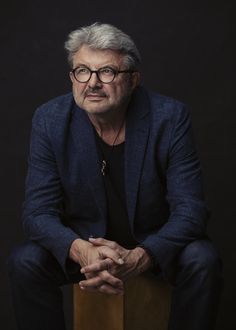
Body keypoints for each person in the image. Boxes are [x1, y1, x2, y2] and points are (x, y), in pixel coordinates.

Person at [8, 22, 222, 330]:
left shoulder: (170, 118)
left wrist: (142, 256)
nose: (92, 83)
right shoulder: (49, 120)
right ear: (72, 77)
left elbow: (191, 211)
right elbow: (37, 212)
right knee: (24, 261)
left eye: (107, 72)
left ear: (133, 79)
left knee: (203, 259)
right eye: (82, 70)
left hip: (151, 243)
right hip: (86, 245)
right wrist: (80, 250)